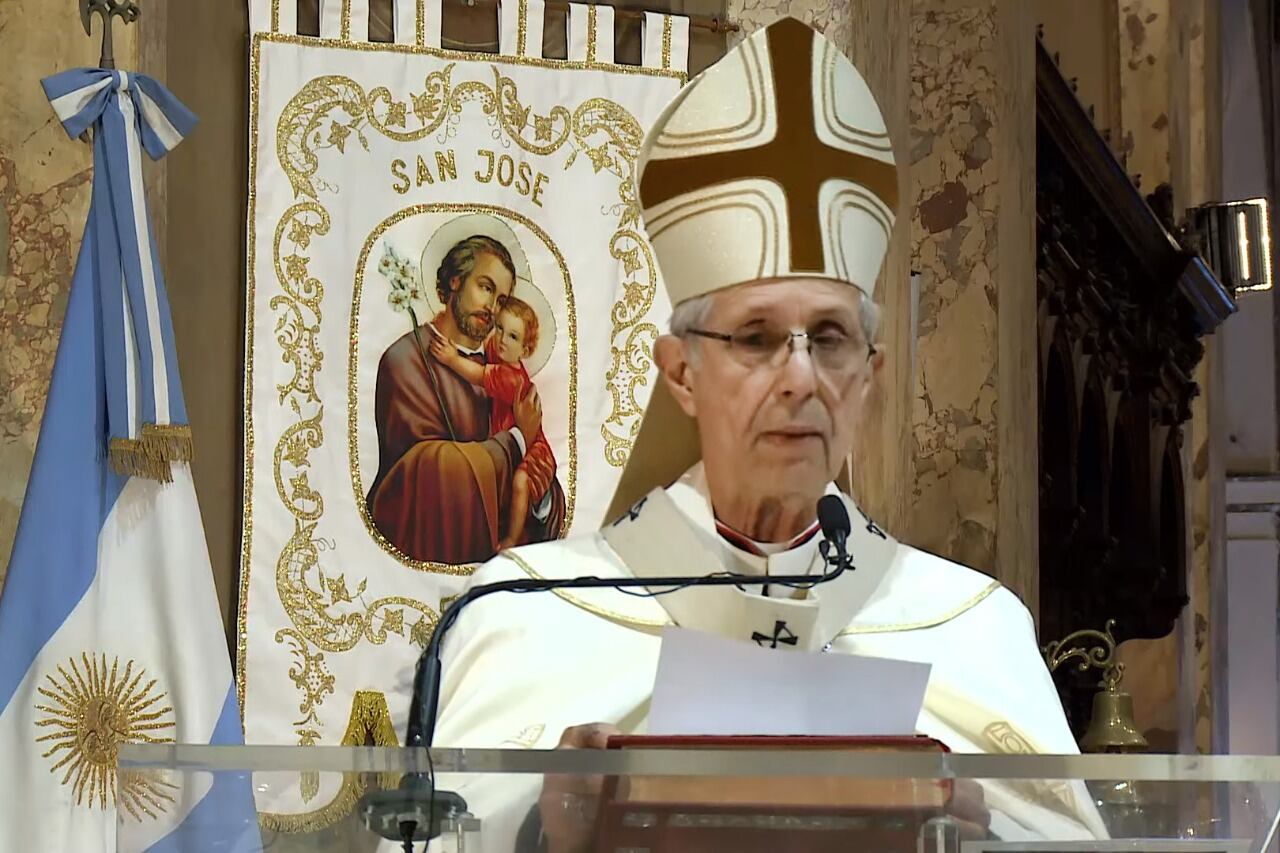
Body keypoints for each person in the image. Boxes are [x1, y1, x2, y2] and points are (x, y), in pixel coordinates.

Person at [418, 16, 1106, 852]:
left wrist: (983, 838)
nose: (800, 377)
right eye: (755, 337)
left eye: (832, 337)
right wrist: (544, 831)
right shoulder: (529, 614)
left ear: (870, 375)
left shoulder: (970, 627)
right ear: (680, 372)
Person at [366, 232, 566, 565]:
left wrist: (540, 496)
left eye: (501, 300)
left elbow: (543, 492)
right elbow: (425, 472)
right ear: (456, 281)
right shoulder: (406, 360)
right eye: (485, 287)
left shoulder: (496, 373)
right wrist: (518, 439)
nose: (492, 307)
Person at [430, 295, 559, 551]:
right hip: (515, 444)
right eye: (499, 328)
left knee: (521, 482)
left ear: (524, 351)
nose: (501, 339)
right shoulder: (496, 350)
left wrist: (452, 359)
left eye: (513, 336)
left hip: (536, 451)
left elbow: (479, 375)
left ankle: (512, 539)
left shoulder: (511, 377)